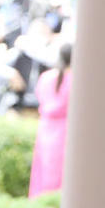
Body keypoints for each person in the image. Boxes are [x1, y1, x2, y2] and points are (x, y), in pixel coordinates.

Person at [29, 43, 73, 197]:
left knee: (43, 172)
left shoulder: (46, 77)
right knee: (60, 174)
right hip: (65, 129)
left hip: (46, 128)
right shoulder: (75, 80)